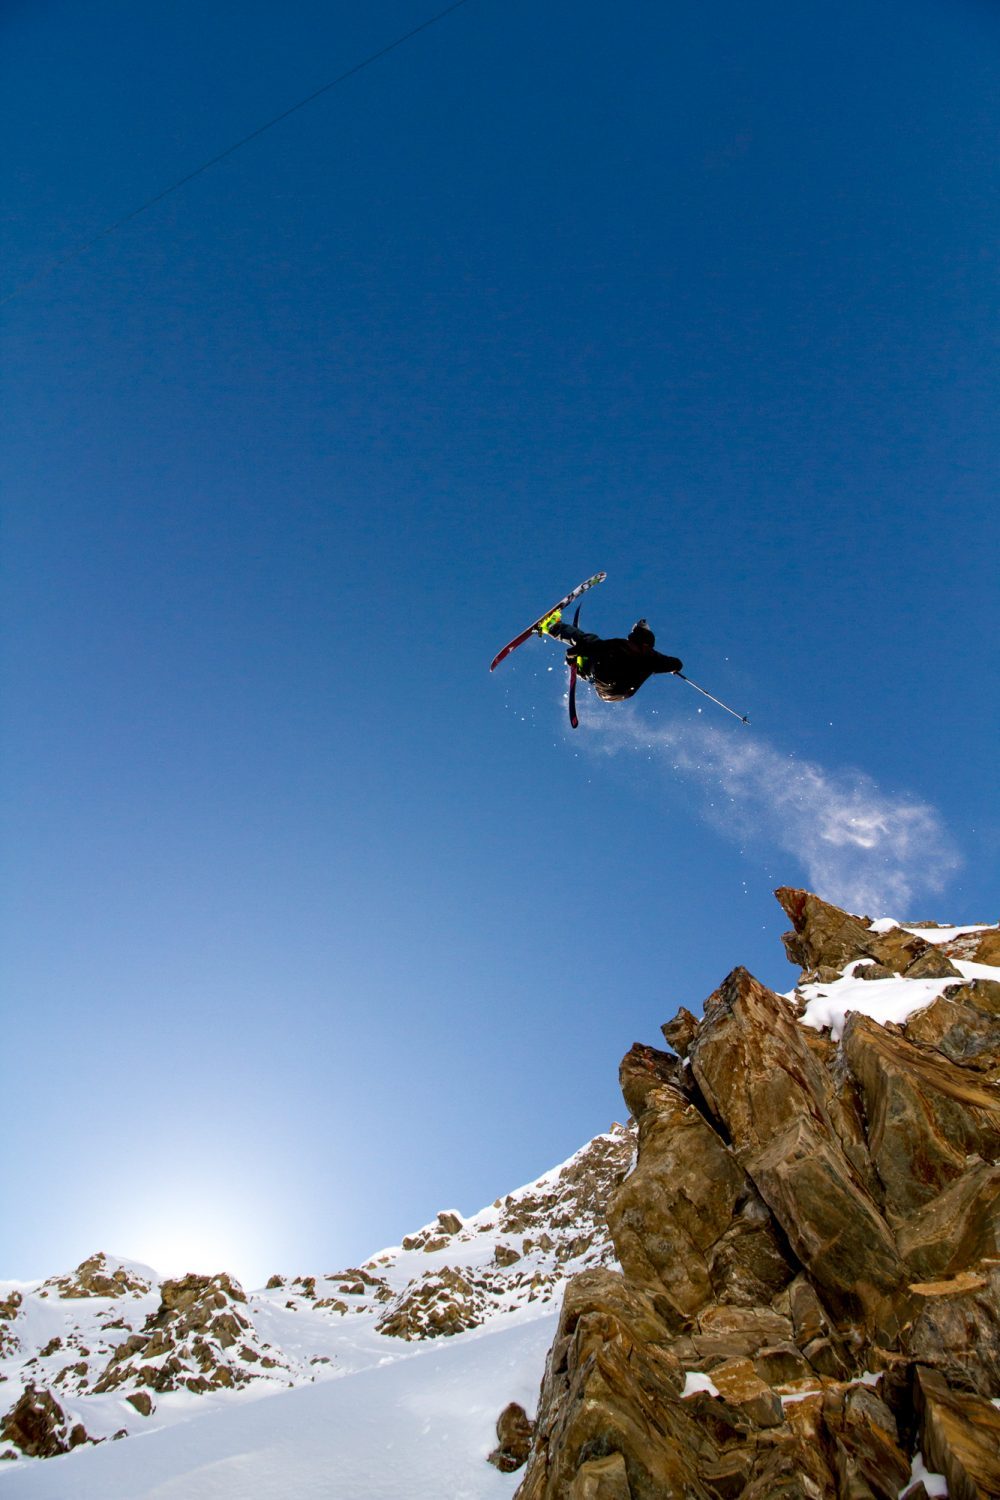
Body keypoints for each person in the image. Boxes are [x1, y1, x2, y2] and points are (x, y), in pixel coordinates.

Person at [539, 614, 683, 702]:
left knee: (589, 640)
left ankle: (551, 626)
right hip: (614, 694)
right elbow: (676, 663)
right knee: (599, 664)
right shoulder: (655, 658)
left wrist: (574, 654)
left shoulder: (625, 646)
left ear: (637, 636)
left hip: (606, 678)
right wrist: (674, 668)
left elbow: (596, 647)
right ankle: (583, 668)